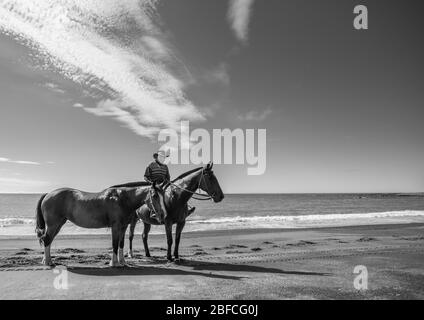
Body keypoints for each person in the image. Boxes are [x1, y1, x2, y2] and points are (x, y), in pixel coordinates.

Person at [144, 151, 195, 221]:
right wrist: (152, 183)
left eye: (163, 157)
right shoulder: (151, 165)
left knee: (178, 191)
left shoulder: (165, 166)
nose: (163, 159)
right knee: (155, 195)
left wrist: (168, 182)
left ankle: (187, 208)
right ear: (156, 157)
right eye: (161, 157)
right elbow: (146, 177)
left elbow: (168, 176)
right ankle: (154, 212)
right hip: (154, 184)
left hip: (164, 183)